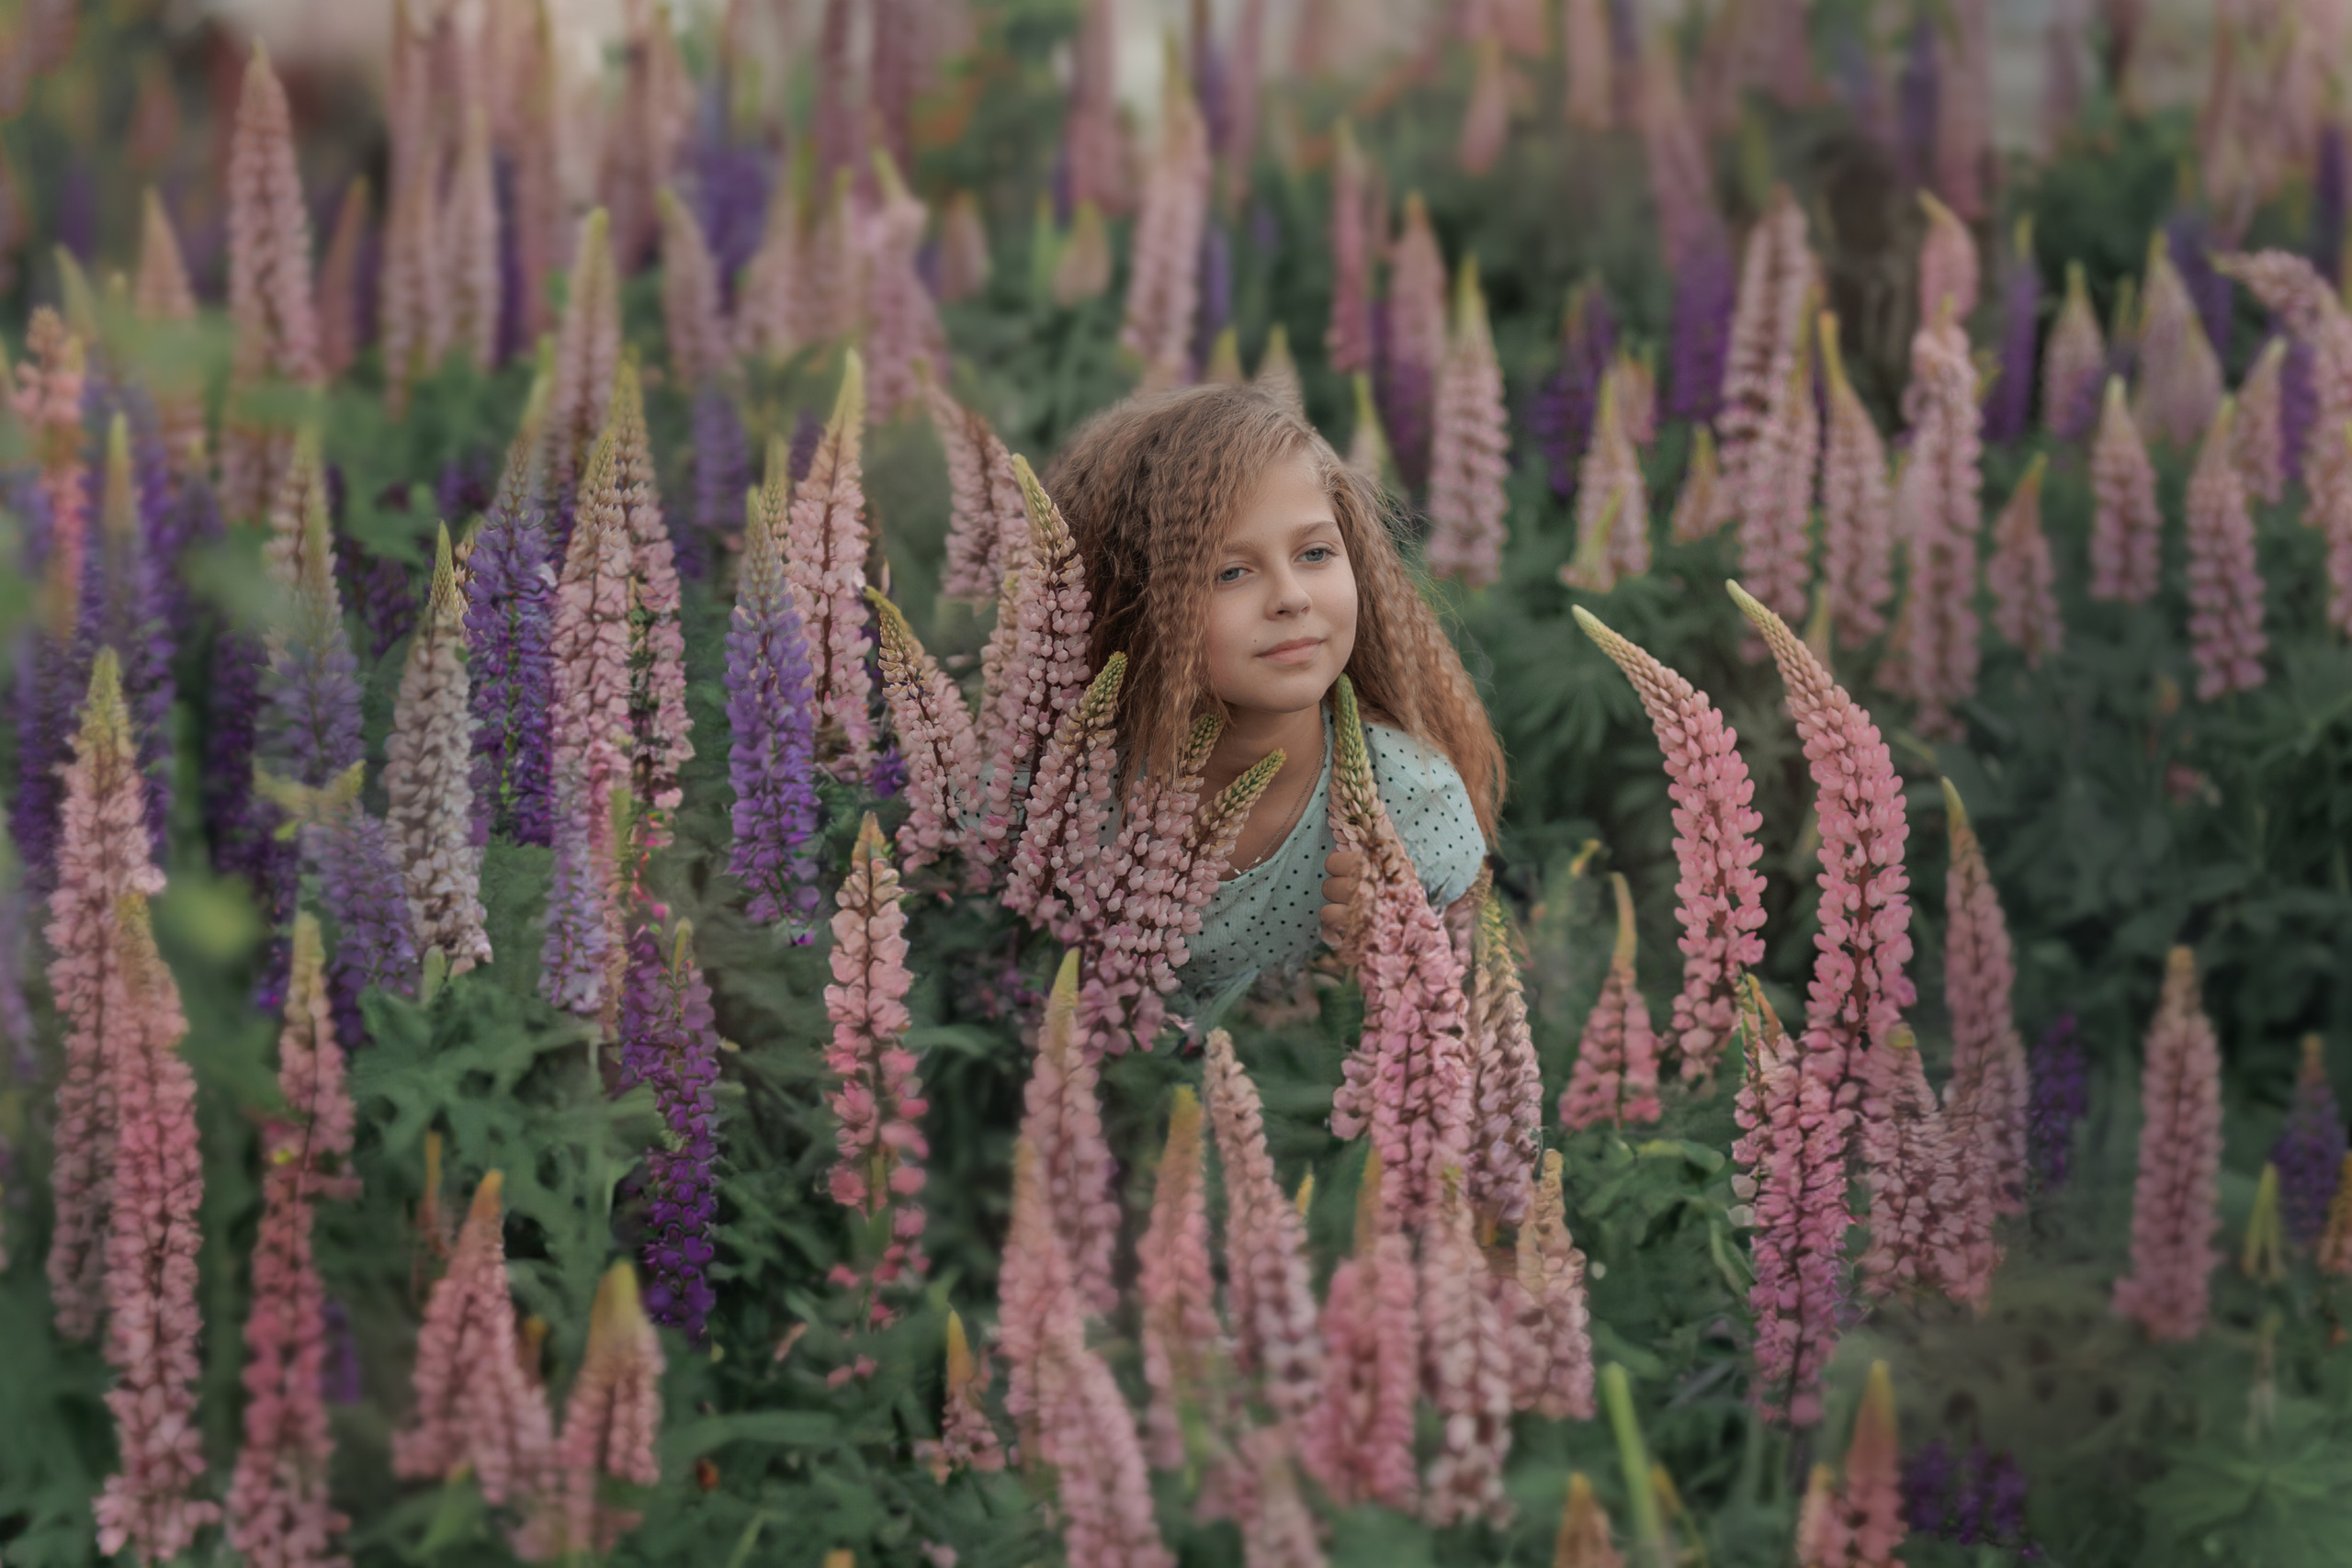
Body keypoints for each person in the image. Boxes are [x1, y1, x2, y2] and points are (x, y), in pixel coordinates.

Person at [1047, 383, 1505, 1015]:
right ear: (1137, 605)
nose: (1291, 596)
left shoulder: (1412, 802)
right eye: (1230, 571)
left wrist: (1389, 957)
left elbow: (1476, 1025)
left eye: (1315, 553)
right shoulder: (1068, 787)